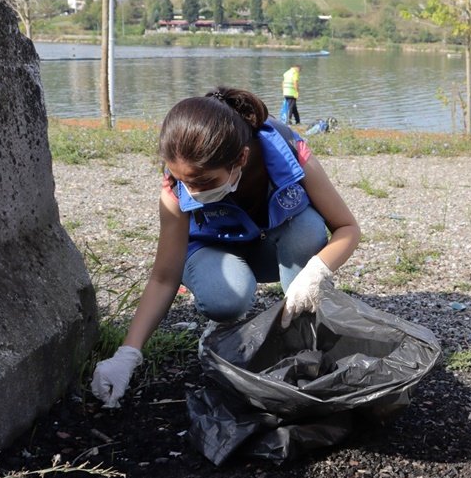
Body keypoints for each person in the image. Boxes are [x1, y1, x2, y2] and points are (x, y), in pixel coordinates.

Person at [91, 86, 360, 408]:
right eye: (183, 180)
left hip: (270, 248)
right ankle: (225, 324)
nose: (191, 190)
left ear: (241, 159)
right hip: (212, 254)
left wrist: (314, 273)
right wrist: (128, 354)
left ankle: (299, 322)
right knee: (226, 298)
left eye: (203, 182)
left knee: (306, 227)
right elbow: (164, 277)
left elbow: (347, 228)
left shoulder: (287, 150)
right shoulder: (177, 189)